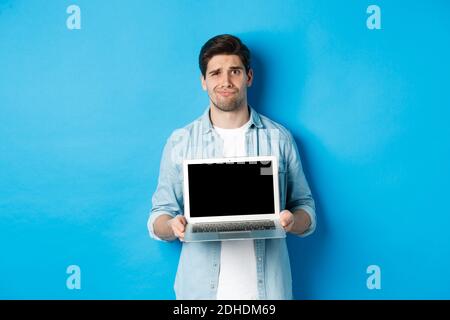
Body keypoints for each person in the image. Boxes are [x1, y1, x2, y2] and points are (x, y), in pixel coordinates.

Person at [147, 34, 316, 300]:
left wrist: (292, 221)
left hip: (268, 293)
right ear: (203, 81)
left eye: (234, 71)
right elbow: (159, 216)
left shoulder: (279, 138)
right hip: (199, 295)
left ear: (248, 77)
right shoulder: (180, 141)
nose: (225, 81)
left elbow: (306, 208)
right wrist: (173, 226)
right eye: (215, 73)